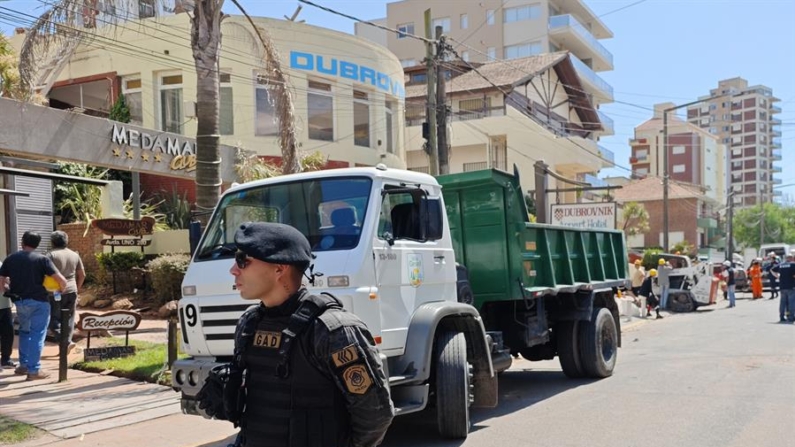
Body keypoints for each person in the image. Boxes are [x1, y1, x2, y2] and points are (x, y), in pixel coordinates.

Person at [198, 222, 394, 447]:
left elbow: (376, 415)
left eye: (243, 260)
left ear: (280, 269)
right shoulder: (249, 323)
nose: (233, 269)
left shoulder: (331, 330)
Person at [0, 231, 67, 380]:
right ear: (37, 244)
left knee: (24, 332)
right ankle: (34, 370)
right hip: (39, 302)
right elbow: (61, 280)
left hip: (20, 302)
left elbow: (2, 278)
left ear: (23, 242)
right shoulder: (42, 259)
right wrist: (60, 290)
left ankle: (23, 365)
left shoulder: (11, 258)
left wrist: (4, 289)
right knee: (38, 334)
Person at [47, 231, 86, 353]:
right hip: (71, 290)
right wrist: (77, 288)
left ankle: (66, 343)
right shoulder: (74, 255)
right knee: (69, 318)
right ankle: (66, 346)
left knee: (53, 320)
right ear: (66, 241)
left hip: (55, 292)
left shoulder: (50, 255)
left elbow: (44, 274)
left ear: (52, 242)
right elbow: (82, 274)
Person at [1, 261, 16, 369]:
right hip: (4, 303)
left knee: (8, 332)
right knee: (7, 332)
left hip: (4, 304)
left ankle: (6, 359)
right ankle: (6, 359)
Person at [777, 253, 795, 323]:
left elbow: (771, 269)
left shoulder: (781, 265)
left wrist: (778, 276)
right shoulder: (793, 265)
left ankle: (781, 317)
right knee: (791, 302)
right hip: (791, 286)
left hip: (782, 286)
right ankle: (791, 317)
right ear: (791, 258)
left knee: (783, 302)